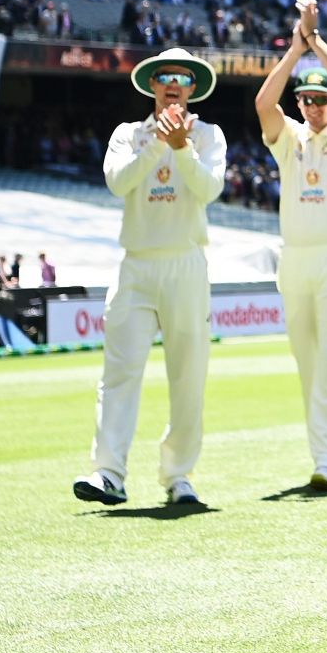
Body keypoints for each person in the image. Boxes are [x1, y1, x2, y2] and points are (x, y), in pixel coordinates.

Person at [75, 48, 226, 507]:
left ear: (193, 88)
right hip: (136, 263)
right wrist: (160, 142)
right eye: (165, 77)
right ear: (153, 86)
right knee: (119, 373)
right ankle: (109, 474)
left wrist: (181, 146)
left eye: (182, 77)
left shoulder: (209, 135)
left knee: (188, 375)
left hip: (185, 261)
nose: (173, 84)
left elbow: (209, 189)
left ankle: (179, 476)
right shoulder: (128, 134)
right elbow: (118, 182)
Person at [256, 0, 327, 491]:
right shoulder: (292, 139)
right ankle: (324, 454)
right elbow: (265, 104)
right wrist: (294, 49)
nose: (313, 107)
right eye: (305, 100)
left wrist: (317, 42)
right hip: (296, 260)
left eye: (319, 100)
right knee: (307, 363)